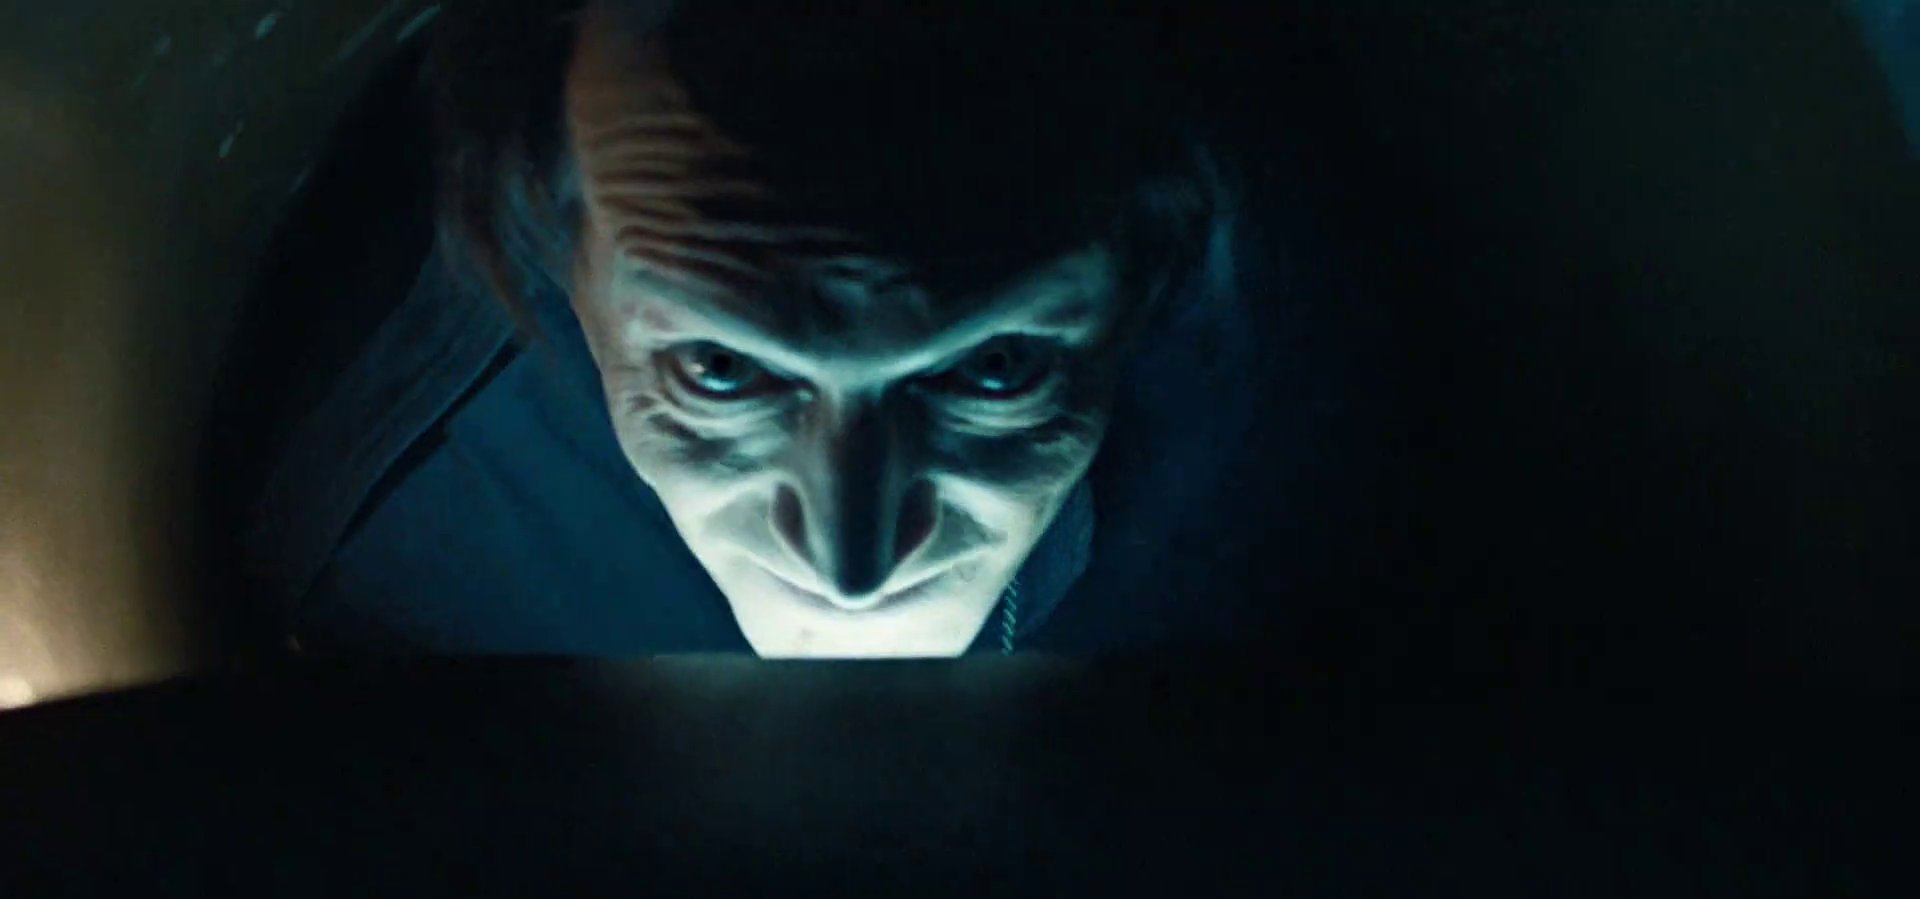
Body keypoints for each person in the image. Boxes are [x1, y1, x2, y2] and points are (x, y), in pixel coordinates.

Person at [204, 0, 1342, 659]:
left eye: (996, 368)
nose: (852, 565)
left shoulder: (1308, 428)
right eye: (716, 369)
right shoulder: (410, 566)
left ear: (1148, 261)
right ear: (553, 240)